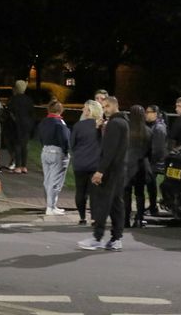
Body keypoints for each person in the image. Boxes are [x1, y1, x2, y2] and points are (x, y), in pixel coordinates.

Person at [79, 96, 128, 251]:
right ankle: (116, 238)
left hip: (110, 171)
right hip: (120, 169)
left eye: (107, 107)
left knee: (102, 203)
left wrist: (100, 171)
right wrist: (101, 130)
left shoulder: (114, 123)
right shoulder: (124, 122)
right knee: (116, 204)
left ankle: (97, 238)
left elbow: (109, 151)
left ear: (115, 106)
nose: (105, 110)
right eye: (103, 106)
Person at [70, 100, 103, 225]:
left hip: (80, 163)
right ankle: (94, 218)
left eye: (84, 108)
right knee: (95, 192)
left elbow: (72, 144)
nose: (82, 110)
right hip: (95, 163)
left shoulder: (78, 126)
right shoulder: (100, 126)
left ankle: (82, 217)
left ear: (90, 111)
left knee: (80, 191)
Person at [38, 99, 70, 215]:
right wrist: (66, 151)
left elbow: (40, 137)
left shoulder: (43, 122)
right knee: (55, 181)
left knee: (47, 180)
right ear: (61, 110)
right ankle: (50, 207)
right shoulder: (60, 123)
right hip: (57, 152)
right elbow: (65, 139)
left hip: (45, 151)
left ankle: (51, 205)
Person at [125, 105, 151, 228]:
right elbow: (151, 150)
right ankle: (139, 218)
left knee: (126, 193)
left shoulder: (126, 130)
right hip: (141, 164)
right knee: (140, 193)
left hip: (128, 164)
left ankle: (125, 219)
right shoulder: (148, 131)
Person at [8, 80, 34, 173]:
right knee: (24, 145)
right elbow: (31, 113)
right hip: (26, 125)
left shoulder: (13, 99)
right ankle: (24, 166)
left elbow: (10, 112)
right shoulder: (29, 99)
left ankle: (18, 166)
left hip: (16, 124)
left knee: (17, 145)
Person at [145, 104, 167, 216]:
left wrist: (150, 160)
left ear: (155, 113)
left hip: (156, 162)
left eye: (148, 112)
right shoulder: (154, 125)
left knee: (151, 184)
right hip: (155, 161)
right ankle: (152, 206)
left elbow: (158, 149)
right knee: (150, 184)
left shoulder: (158, 127)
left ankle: (153, 207)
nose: (146, 114)